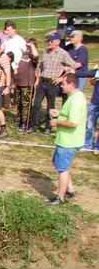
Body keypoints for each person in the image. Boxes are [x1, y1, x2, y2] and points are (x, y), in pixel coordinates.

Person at [49, 73, 87, 205]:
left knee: (62, 169)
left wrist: (56, 122)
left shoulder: (76, 100)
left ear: (71, 84)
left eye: (63, 84)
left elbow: (73, 123)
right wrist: (59, 113)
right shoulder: (76, 96)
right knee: (58, 163)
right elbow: (72, 116)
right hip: (67, 139)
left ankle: (60, 197)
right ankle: (70, 190)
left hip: (69, 141)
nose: (61, 86)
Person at [33, 32, 78, 134]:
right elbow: (40, 66)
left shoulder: (63, 53)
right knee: (36, 104)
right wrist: (37, 79)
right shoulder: (45, 52)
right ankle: (34, 125)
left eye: (51, 41)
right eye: (48, 41)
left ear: (57, 42)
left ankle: (48, 127)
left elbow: (74, 66)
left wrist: (61, 78)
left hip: (52, 83)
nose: (49, 43)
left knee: (50, 106)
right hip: (42, 81)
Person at [15, 39, 39, 133]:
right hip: (19, 83)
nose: (27, 47)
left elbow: (36, 56)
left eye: (29, 46)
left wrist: (32, 46)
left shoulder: (32, 56)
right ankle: (20, 121)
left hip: (28, 84)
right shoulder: (21, 54)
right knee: (19, 103)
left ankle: (25, 124)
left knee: (26, 105)